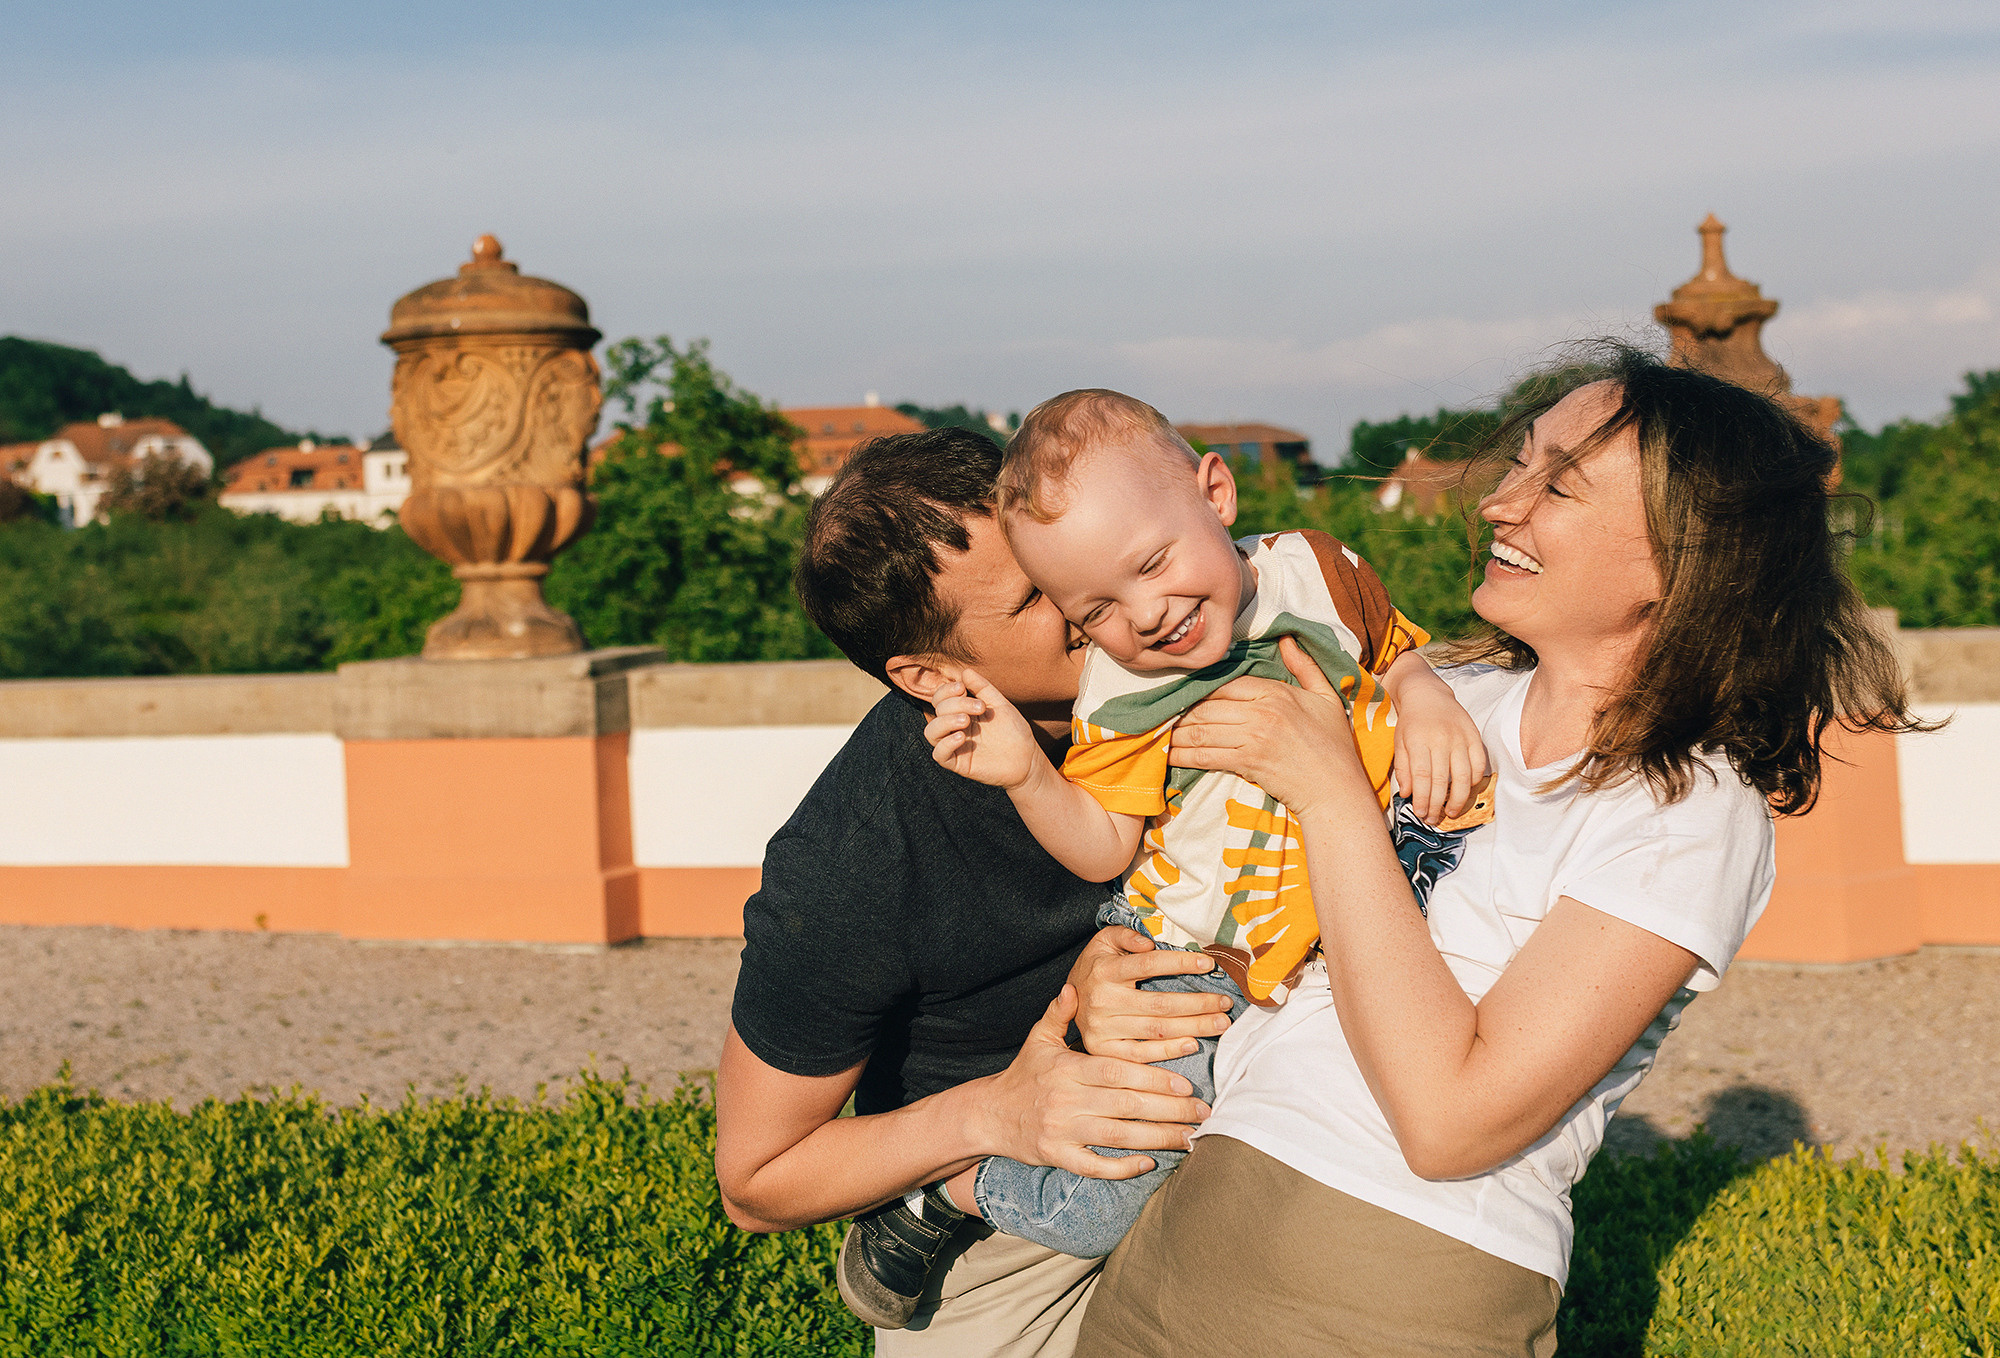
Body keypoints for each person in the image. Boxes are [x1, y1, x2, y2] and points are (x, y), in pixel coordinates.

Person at [1072, 346, 1926, 1356]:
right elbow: (1245, 900)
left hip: (1388, 1283)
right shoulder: (1430, 691)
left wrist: (1330, 792)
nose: (1495, 504)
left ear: (1680, 560)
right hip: (1182, 1237)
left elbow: (1451, 1122)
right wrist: (1118, 973)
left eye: (1554, 483)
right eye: (1517, 462)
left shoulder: (1687, 809)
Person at [874, 390, 1486, 1291]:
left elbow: (1391, 648)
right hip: (1189, 960)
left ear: (1217, 492)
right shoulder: (1123, 694)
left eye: (1154, 563)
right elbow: (1102, 850)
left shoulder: (1315, 571)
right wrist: (1026, 775)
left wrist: (1423, 695)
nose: (1149, 613)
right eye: (1101, 608)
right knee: (1105, 1203)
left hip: (1339, 928)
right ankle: (952, 1192)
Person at [713, 425, 1212, 1358]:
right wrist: (994, 1114)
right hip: (1012, 1232)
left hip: (1237, 1139)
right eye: (1035, 596)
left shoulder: (1194, 632)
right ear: (932, 676)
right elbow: (755, 1180)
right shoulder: (855, 853)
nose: (1090, 596)